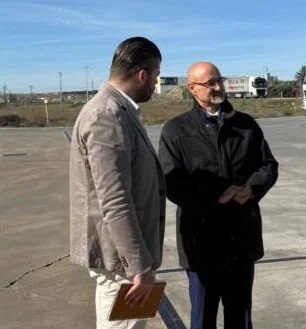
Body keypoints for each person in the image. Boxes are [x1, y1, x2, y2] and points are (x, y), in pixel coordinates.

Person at [158, 62, 278, 329]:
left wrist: (252, 189)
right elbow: (173, 183)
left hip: (241, 240)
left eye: (219, 80)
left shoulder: (245, 124)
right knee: (203, 318)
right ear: (192, 89)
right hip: (201, 244)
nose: (218, 87)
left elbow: (267, 165)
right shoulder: (176, 131)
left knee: (240, 316)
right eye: (210, 83)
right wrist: (216, 196)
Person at [69, 36, 165, 329]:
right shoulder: (106, 116)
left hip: (122, 259)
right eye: (156, 77)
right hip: (121, 264)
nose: (155, 85)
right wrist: (138, 267)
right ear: (141, 75)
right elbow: (114, 199)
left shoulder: (118, 110)